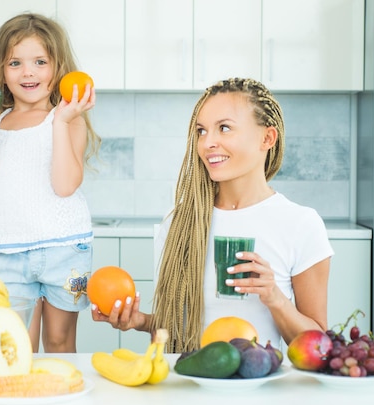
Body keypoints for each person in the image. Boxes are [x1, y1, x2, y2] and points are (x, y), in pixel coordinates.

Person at [91, 78, 333, 353]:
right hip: (190, 383)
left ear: (267, 138)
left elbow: (319, 345)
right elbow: (178, 327)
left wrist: (274, 297)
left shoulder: (300, 224)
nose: (208, 143)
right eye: (202, 131)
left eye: (224, 128)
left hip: (260, 386)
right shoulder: (179, 223)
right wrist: (140, 321)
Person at [0, 13, 100, 353]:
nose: (28, 72)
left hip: (67, 252)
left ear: (58, 67)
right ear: (2, 72)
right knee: (15, 346)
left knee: (60, 341)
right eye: (15, 63)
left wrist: (61, 121)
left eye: (40, 62)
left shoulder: (69, 119)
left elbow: (65, 185)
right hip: (10, 254)